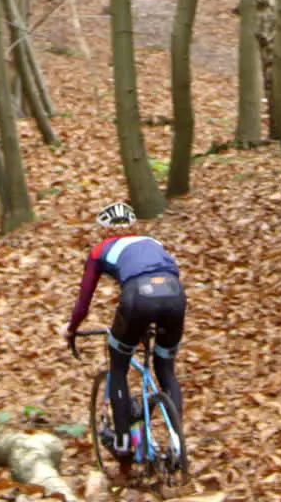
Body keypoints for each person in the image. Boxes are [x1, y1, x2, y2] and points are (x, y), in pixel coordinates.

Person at [65, 201, 187, 471]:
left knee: (118, 365)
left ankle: (122, 442)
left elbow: (84, 301)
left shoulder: (100, 250)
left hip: (137, 298)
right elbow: (168, 273)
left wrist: (72, 328)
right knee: (165, 368)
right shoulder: (152, 242)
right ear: (134, 227)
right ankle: (178, 443)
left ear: (103, 230)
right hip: (174, 295)